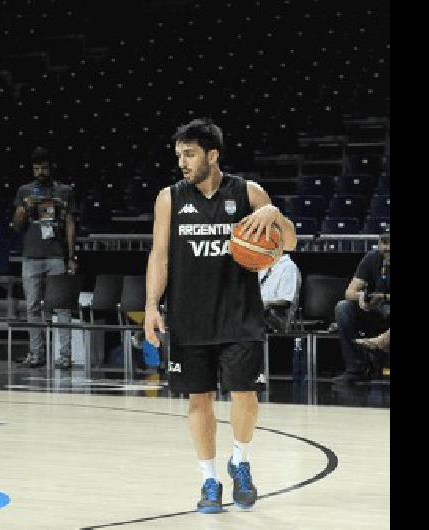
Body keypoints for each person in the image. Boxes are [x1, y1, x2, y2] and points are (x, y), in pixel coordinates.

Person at [143, 118, 297, 513]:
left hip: (239, 314)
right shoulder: (169, 198)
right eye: (179, 155)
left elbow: (290, 240)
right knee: (200, 400)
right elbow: (159, 255)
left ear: (212, 155)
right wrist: (150, 307)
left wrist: (273, 213)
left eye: (190, 154)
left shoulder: (247, 192)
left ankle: (240, 462)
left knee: (245, 394)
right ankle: (209, 480)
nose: (182, 162)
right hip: (189, 315)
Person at [12, 147, 77, 369]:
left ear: (51, 168)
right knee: (32, 307)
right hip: (31, 257)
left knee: (62, 307)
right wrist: (24, 210)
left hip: (57, 257)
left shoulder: (64, 191)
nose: (40, 171)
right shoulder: (24, 191)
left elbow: (69, 224)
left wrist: (71, 256)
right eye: (37, 168)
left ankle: (65, 356)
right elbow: (17, 226)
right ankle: (36, 354)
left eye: (44, 167)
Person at [332, 233, 390, 384]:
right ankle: (356, 369)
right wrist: (363, 298)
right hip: (376, 311)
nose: (387, 248)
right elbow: (349, 292)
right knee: (343, 307)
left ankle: (381, 343)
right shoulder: (372, 258)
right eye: (383, 243)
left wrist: (383, 297)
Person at [258, 254, 302, 332]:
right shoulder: (263, 266)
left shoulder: (288, 267)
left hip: (276, 324)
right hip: (258, 320)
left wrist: (264, 304)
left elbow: (286, 301)